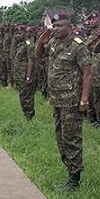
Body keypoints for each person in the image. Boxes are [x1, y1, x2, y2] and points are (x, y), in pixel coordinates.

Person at [29, 12, 92, 190]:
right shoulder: (54, 43)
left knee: (71, 138)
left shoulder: (78, 47)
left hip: (72, 101)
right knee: (61, 138)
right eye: (54, 26)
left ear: (69, 27)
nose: (55, 29)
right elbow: (39, 55)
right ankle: (70, 170)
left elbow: (87, 74)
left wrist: (84, 100)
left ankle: (74, 179)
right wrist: (43, 37)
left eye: (59, 26)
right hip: (57, 100)